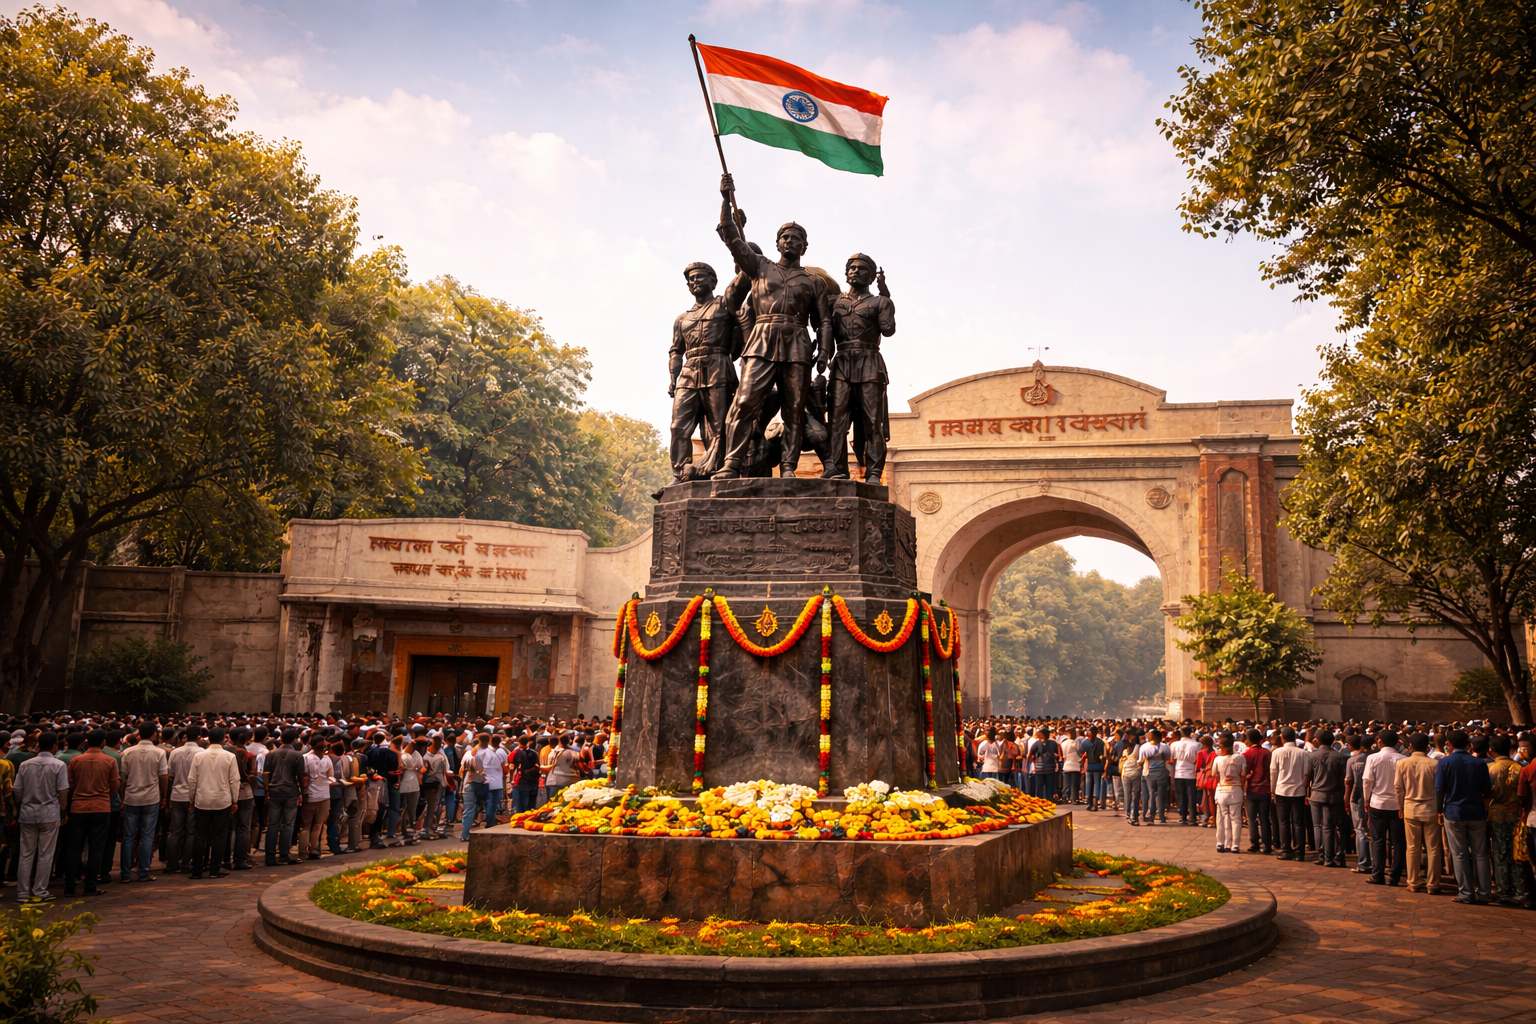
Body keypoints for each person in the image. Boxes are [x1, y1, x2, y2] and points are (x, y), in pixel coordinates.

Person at [1436, 729, 1492, 905]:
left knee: (1459, 854)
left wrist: (1439, 810)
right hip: (1476, 812)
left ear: (1449, 744)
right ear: (1469, 744)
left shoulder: (1445, 762)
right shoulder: (1479, 763)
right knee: (1481, 854)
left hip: (1454, 812)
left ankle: (1466, 893)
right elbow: (1487, 790)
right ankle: (1484, 893)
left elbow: (1439, 789)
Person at [13, 732, 69, 903]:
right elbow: (63, 791)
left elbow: (17, 790)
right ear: (54, 746)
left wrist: (22, 803)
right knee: (46, 854)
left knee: (26, 854)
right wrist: (63, 809)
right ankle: (40, 890)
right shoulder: (59, 765)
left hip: (28, 812)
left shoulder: (25, 764)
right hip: (49, 812)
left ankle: (22, 892)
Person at [63, 729, 119, 895]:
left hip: (78, 807)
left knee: (74, 847)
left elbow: (70, 784)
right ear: (103, 742)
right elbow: (115, 785)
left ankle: (70, 886)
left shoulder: (76, 760)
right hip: (101, 806)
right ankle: (90, 885)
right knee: (96, 848)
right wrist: (106, 798)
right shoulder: (110, 760)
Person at [1395, 732, 1447, 894]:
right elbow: (1440, 789)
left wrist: (1401, 806)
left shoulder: (1402, 764)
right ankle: (1432, 884)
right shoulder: (1435, 764)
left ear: (1410, 747)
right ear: (1428, 747)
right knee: (1433, 848)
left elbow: (1398, 788)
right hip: (1431, 808)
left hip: (1410, 808)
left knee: (1412, 848)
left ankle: (1413, 882)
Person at [185, 727, 240, 879]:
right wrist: (234, 800)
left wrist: (191, 799)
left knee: (200, 835)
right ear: (224, 739)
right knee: (219, 836)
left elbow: (192, 780)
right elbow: (235, 781)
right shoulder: (230, 757)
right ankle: (214, 870)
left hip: (202, 799)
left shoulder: (199, 756)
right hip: (222, 800)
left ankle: (197, 870)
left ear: (208, 739)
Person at [119, 721, 168, 883]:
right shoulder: (159, 753)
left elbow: (123, 778)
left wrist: (123, 796)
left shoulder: (128, 752)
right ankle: (143, 871)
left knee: (129, 837)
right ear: (154, 734)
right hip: (151, 797)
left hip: (131, 797)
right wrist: (164, 795)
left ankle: (125, 873)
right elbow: (163, 776)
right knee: (147, 836)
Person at [1487, 734, 1528, 907]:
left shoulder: (1491, 769)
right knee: (1517, 854)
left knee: (1499, 853)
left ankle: (1504, 890)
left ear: (1492, 750)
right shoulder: (1519, 767)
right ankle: (1521, 891)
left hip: (1497, 814)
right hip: (1516, 815)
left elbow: (1487, 792)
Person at [1362, 730, 1407, 886]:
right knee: (1399, 842)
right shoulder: (1402, 759)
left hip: (1377, 803)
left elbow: (1367, 781)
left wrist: (1366, 801)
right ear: (1397, 743)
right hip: (1397, 805)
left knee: (1378, 840)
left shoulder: (1373, 758)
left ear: (1379, 741)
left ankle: (1378, 873)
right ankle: (1395, 876)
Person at [1304, 728, 1347, 867]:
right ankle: (1333, 856)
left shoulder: (1313, 756)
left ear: (1317, 741)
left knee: (1318, 826)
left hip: (1316, 794)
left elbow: (1307, 776)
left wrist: (1305, 792)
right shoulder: (1339, 756)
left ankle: (1323, 855)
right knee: (1330, 826)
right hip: (1334, 795)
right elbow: (1343, 777)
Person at [263, 729, 305, 866]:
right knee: (288, 825)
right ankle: (284, 854)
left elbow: (265, 773)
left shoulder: (271, 754)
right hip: (290, 791)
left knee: (273, 824)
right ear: (294, 740)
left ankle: (269, 856)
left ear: (281, 738)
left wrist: (267, 790)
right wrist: (301, 792)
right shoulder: (298, 755)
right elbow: (300, 775)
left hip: (274, 791)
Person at [1270, 728, 1308, 861]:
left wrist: (1272, 790)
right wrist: (1305, 789)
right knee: (1298, 822)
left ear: (1282, 737)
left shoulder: (1277, 752)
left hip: (1281, 790)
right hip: (1298, 790)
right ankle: (1299, 852)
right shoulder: (1303, 753)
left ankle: (1286, 849)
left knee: (1283, 821)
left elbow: (1273, 772)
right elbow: (1306, 773)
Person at [297, 738, 333, 858]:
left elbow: (303, 778)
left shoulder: (305, 758)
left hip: (310, 795)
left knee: (306, 825)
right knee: (318, 824)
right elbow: (331, 777)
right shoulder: (327, 759)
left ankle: (302, 851)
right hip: (324, 795)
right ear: (324, 748)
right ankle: (314, 849)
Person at [1213, 733, 1248, 853]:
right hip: (1236, 790)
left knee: (1222, 817)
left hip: (1222, 790)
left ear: (1221, 746)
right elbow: (1243, 775)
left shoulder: (1217, 759)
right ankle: (1234, 844)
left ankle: (1220, 842)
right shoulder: (1240, 758)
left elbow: (1214, 775)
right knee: (1236, 818)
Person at [1171, 726, 1201, 825]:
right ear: (1191, 733)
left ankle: (1183, 816)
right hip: (1191, 772)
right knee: (1192, 795)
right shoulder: (1197, 745)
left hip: (1178, 772)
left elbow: (1172, 759)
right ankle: (1192, 817)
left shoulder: (1174, 744)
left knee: (1181, 795)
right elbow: (1198, 759)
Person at [509, 735, 541, 814]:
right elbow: (537, 766)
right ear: (528, 742)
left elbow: (513, 767)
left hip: (521, 781)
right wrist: (530, 770)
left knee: (521, 803)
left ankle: (521, 818)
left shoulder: (516, 753)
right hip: (533, 781)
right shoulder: (534, 753)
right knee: (531, 803)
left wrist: (512, 780)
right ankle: (530, 817)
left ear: (518, 742)